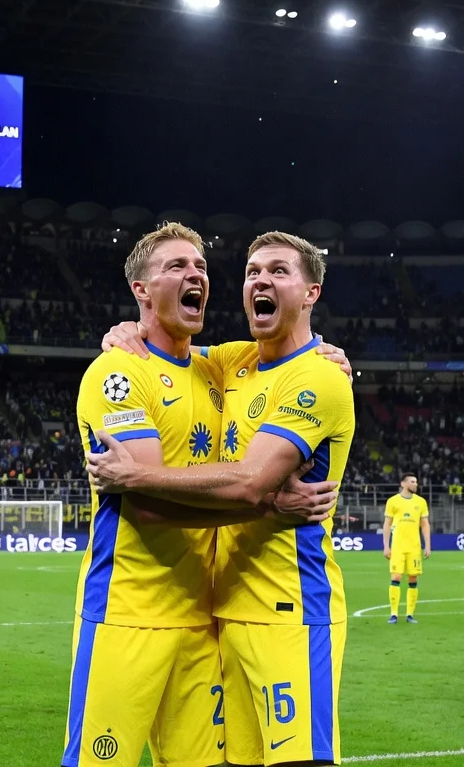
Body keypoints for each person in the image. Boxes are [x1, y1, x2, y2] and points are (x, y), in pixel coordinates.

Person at [63, 223, 339, 767]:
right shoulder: (118, 372)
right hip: (126, 613)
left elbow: (291, 352)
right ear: (141, 290)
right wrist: (264, 505)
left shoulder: (222, 368)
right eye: (175, 266)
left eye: (201, 267)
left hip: (202, 620)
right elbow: (145, 502)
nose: (195, 275)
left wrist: (324, 352)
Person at [382, 473, 430, 625]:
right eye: (412, 481)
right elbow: (387, 524)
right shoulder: (393, 501)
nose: (416, 484)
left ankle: (410, 614)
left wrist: (428, 545)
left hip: (414, 547)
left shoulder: (421, 502)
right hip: (398, 546)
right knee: (396, 577)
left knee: (413, 578)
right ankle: (394, 614)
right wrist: (386, 546)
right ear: (403, 484)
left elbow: (424, 525)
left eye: (416, 481)